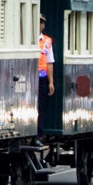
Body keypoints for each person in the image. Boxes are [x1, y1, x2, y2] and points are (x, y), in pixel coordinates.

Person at [36, 14, 55, 145]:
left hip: (42, 77)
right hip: (29, 77)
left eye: (42, 22)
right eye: (38, 22)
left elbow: (50, 62)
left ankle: (38, 134)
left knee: (40, 107)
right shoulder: (27, 39)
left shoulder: (47, 41)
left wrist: (51, 81)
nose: (40, 25)